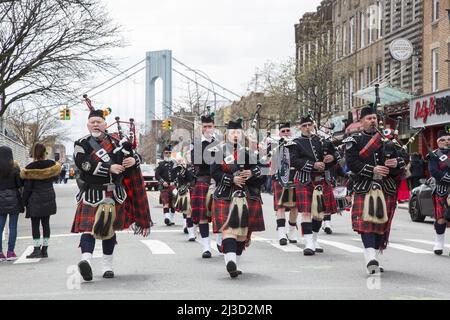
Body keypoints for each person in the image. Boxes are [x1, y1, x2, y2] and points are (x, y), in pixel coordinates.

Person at [72, 109, 150, 281]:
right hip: (92, 192)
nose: (95, 124)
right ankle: (86, 261)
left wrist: (133, 160)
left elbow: (134, 157)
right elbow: (83, 163)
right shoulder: (81, 143)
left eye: (99, 121)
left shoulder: (116, 142)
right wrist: (109, 167)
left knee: (109, 229)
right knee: (89, 229)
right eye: (92, 122)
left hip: (115, 191)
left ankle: (108, 266)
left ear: (105, 125)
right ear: (87, 125)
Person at [344, 106, 407, 274]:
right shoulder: (354, 141)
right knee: (366, 224)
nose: (372, 121)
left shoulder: (388, 139)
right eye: (368, 118)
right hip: (365, 186)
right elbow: (351, 163)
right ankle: (370, 257)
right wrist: (372, 169)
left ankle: (374, 257)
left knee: (380, 225)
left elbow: (404, 157)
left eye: (374, 118)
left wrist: (397, 163)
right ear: (361, 121)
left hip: (385, 187)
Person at [211, 119, 266, 278]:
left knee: (242, 232)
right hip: (226, 194)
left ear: (242, 134)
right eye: (232, 132)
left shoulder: (250, 152)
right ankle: (230, 261)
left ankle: (234, 262)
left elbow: (263, 175)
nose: (235, 135)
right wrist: (231, 179)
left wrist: (252, 174)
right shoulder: (218, 151)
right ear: (227, 134)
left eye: (238, 132)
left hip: (247, 194)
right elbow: (214, 172)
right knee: (228, 229)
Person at [289, 115, 339, 256]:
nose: (307, 128)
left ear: (313, 125)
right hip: (305, 179)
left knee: (319, 214)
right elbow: (293, 161)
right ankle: (308, 242)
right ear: (300, 127)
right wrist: (312, 165)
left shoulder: (322, 140)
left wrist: (332, 157)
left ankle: (315, 238)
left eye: (309, 125)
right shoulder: (295, 143)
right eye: (304, 125)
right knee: (306, 212)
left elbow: (337, 154)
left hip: (322, 179)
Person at [21, 143, 61, 259]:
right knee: (46, 224)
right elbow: (56, 178)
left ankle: (37, 249)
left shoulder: (30, 168)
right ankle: (45, 249)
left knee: (35, 225)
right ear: (45, 153)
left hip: (35, 199)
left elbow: (27, 188)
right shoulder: (52, 165)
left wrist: (23, 202)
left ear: (34, 153)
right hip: (48, 197)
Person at [190, 114, 219, 257]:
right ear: (201, 128)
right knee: (203, 216)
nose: (208, 129)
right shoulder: (196, 144)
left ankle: (220, 241)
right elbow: (198, 162)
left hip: (219, 180)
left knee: (220, 214)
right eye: (205, 126)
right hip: (203, 180)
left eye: (210, 126)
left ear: (214, 126)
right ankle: (206, 247)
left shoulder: (220, 143)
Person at [271, 122, 299, 245]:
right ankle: (281, 233)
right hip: (279, 179)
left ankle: (291, 231)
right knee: (280, 206)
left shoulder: (297, 144)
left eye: (288, 130)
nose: (286, 133)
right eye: (283, 131)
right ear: (279, 133)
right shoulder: (274, 145)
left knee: (295, 207)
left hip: (295, 178)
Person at [0, 146, 24, 261]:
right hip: (14, 199)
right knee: (12, 226)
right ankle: (10, 252)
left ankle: (0, 253)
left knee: (0, 227)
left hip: (0, 200)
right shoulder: (15, 168)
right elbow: (20, 184)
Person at [428, 130, 450, 256]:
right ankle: (439, 243)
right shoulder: (434, 155)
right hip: (442, 189)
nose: (446, 141)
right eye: (443, 139)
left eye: (448, 139)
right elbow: (433, 171)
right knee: (441, 218)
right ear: (438, 142)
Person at [155, 146, 177, 226]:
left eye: (169, 153)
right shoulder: (160, 164)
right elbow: (157, 175)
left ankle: (171, 219)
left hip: (173, 186)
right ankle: (167, 218)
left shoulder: (175, 163)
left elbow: (177, 175)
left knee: (174, 203)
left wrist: (176, 182)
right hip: (164, 187)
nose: (168, 154)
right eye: (166, 153)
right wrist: (162, 181)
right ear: (164, 154)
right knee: (166, 203)